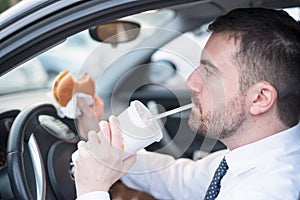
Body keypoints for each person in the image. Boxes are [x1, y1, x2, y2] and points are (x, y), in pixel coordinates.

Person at [74, 7, 300, 200]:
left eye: (209, 72)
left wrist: (92, 189)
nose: (191, 82)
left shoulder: (267, 191)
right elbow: (177, 178)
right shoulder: (249, 157)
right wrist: (108, 149)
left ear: (260, 98)